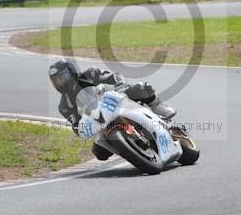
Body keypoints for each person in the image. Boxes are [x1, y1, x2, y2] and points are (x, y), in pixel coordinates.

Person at [48, 59, 177, 160]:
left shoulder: (90, 74)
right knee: (100, 153)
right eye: (56, 81)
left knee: (142, 88)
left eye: (62, 77)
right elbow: (76, 124)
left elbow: (114, 77)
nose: (60, 82)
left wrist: (120, 85)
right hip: (101, 123)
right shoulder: (64, 106)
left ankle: (158, 107)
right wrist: (79, 128)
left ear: (71, 72)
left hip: (115, 100)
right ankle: (132, 150)